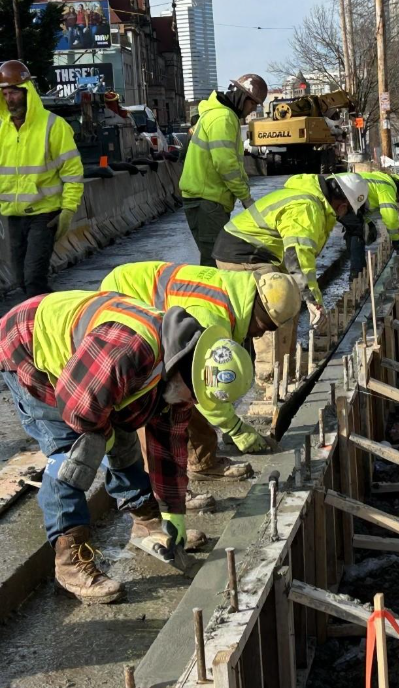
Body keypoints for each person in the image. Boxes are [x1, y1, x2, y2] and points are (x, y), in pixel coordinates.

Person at [0, 290, 254, 603]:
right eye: (194, 394)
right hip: (27, 345)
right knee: (74, 453)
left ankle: (146, 523)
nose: (192, 402)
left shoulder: (181, 371)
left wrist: (174, 520)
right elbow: (78, 409)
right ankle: (69, 562)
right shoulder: (128, 349)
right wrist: (110, 443)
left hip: (89, 370)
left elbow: (169, 450)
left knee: (120, 436)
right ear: (188, 370)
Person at [100, 262, 300, 481]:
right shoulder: (209, 318)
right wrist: (235, 428)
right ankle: (189, 470)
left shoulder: (236, 290)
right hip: (122, 300)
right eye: (264, 327)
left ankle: (190, 463)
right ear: (258, 313)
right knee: (167, 390)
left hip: (129, 285)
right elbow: (200, 386)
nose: (261, 334)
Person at [212, 173, 369, 376]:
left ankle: (288, 367)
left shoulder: (309, 198)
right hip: (245, 254)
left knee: (291, 302)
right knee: (277, 309)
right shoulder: (308, 208)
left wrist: (303, 295)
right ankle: (270, 379)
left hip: (253, 251)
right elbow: (298, 257)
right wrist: (313, 300)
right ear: (343, 205)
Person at [0, 60, 84, 297]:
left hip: (44, 214)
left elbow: (73, 173)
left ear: (27, 91)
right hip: (14, 215)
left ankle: (42, 328)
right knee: (22, 280)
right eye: (5, 93)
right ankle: (44, 320)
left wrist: (67, 209)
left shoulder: (54, 126)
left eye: (14, 92)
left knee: (34, 278)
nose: (9, 99)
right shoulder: (1, 129)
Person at [180, 74, 268, 267]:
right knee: (215, 260)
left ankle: (212, 296)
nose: (253, 109)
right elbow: (226, 165)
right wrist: (246, 198)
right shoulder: (223, 118)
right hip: (208, 199)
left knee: (215, 256)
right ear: (242, 98)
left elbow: (233, 162)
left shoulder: (219, 114)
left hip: (207, 198)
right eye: (253, 104)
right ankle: (210, 297)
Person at [358, 171, 399, 249]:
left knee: (353, 232)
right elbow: (390, 216)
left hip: (340, 189)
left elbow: (361, 208)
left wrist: (369, 223)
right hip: (342, 193)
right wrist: (395, 239)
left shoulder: (376, 182)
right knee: (355, 236)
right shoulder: (387, 187)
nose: (394, 199)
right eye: (397, 198)